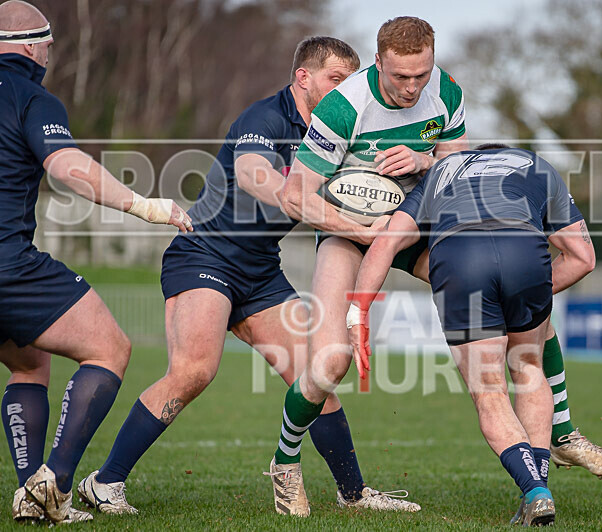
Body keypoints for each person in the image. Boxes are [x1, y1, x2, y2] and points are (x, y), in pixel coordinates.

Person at [76, 36, 419, 518]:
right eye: (335, 80)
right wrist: (327, 212)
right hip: (205, 256)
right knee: (195, 370)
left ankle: (354, 493)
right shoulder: (267, 117)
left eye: (350, 82)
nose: (346, 91)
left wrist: (417, 167)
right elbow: (255, 174)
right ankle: (104, 482)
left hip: (260, 270)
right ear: (303, 77)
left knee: (314, 376)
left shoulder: (341, 133)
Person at [0, 1, 191, 525]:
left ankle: (33, 498)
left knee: (28, 362)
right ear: (35, 47)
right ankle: (57, 478)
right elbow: (66, 167)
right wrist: (146, 206)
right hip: (8, 266)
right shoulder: (31, 95)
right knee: (109, 349)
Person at [269, 16, 469, 514]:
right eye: (401, 76)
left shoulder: (445, 90)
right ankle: (285, 463)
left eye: (420, 75)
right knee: (330, 361)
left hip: (411, 226)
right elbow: (296, 196)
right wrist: (363, 232)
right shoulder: (342, 108)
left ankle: (561, 430)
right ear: (378, 61)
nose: (411, 87)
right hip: (348, 233)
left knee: (487, 280)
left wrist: (425, 163)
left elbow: (454, 160)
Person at [347, 144, 596, 525]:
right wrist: (530, 296)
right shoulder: (537, 165)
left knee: (490, 392)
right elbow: (582, 257)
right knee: (529, 368)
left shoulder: (441, 172)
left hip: (461, 258)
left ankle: (535, 490)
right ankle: (537, 485)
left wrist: (358, 312)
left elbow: (387, 243)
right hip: (526, 256)